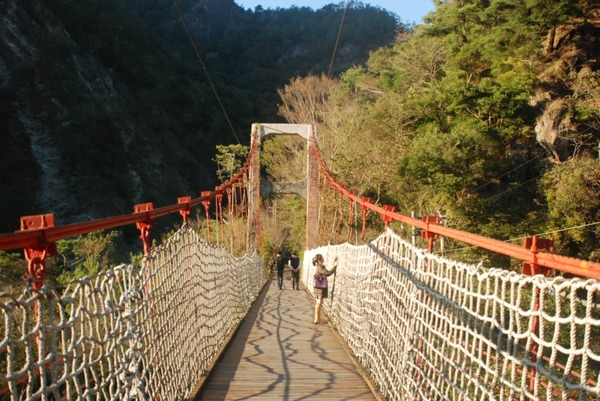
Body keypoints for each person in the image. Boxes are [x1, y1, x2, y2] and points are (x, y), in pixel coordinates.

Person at [312, 254, 337, 324]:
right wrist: (334, 267)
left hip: (321, 286)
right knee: (319, 302)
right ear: (320, 260)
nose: (323, 259)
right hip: (319, 286)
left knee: (320, 302)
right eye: (322, 258)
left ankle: (318, 318)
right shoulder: (319, 267)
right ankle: (316, 318)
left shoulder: (321, 266)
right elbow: (327, 273)